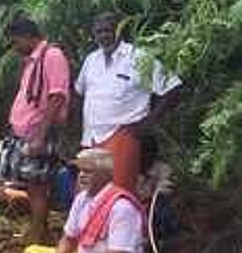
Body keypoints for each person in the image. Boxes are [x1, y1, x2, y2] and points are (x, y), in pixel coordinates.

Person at [75, 12, 181, 191]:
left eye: (108, 30)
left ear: (119, 31)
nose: (103, 36)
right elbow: (79, 92)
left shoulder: (138, 57)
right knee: (87, 193)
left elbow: (173, 87)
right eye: (99, 32)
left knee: (117, 193)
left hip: (123, 135)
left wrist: (148, 122)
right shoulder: (91, 60)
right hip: (91, 137)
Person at [21, 149, 145, 253]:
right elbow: (68, 238)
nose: (81, 175)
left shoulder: (122, 207)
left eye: (88, 171)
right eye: (80, 171)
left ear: (105, 175)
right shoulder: (81, 199)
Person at [3, 15, 70, 243]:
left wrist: (41, 135)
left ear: (27, 36)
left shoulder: (52, 55)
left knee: (39, 186)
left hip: (39, 132)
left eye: (15, 41)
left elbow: (57, 96)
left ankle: (37, 234)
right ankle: (40, 231)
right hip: (25, 132)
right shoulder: (33, 60)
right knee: (31, 186)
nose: (14, 47)